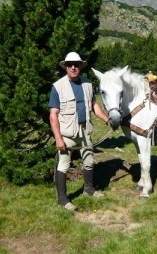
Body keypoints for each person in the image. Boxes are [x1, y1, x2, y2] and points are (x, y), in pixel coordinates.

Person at [49, 52, 109, 211]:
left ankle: (88, 189)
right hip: (67, 134)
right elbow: (53, 115)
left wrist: (107, 120)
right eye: (70, 65)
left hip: (84, 131)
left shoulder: (88, 84)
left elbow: (94, 106)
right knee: (63, 165)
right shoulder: (58, 87)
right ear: (65, 67)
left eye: (76, 64)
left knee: (89, 161)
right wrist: (58, 138)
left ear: (81, 66)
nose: (73, 67)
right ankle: (62, 200)